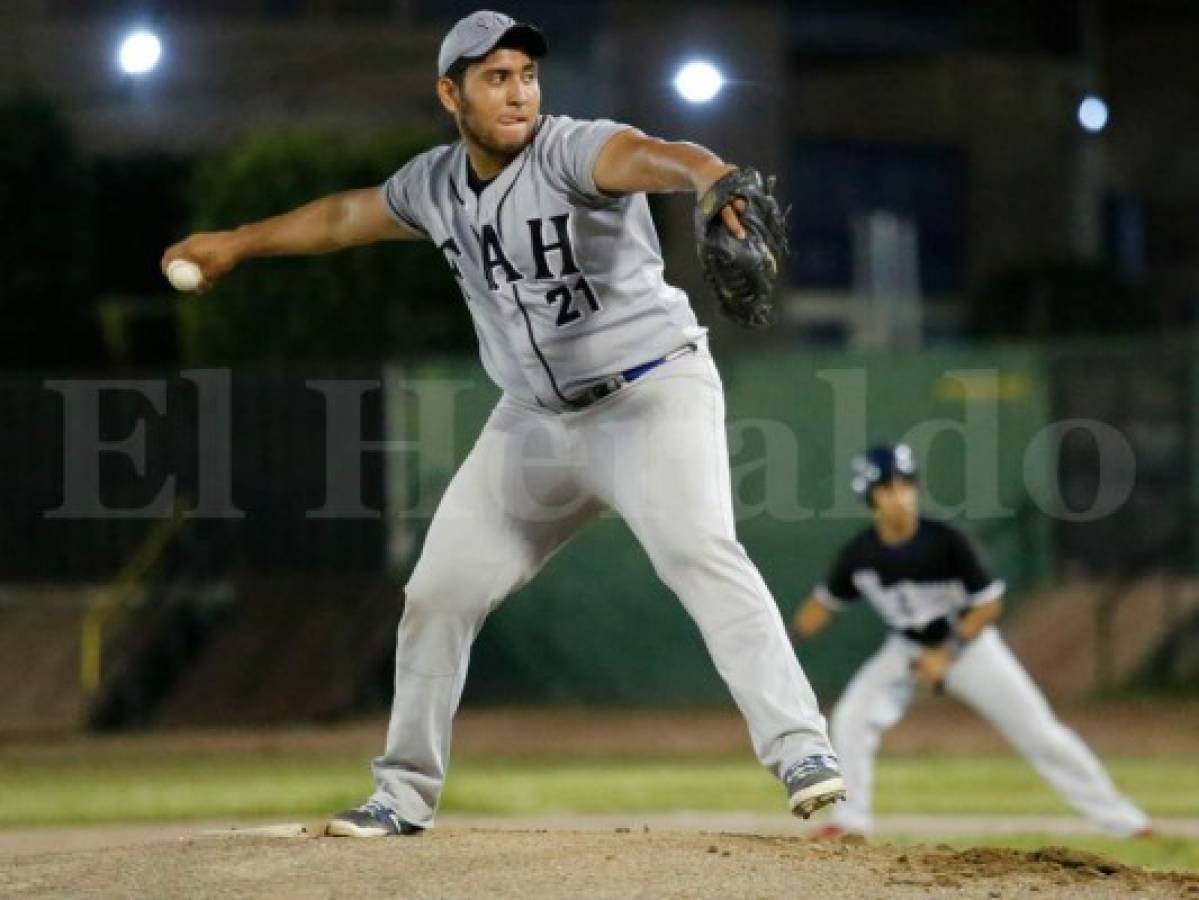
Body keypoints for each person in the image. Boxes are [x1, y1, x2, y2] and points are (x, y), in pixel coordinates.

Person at [163, 10, 844, 837]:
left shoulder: (572, 148)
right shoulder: (434, 184)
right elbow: (347, 218)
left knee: (700, 553)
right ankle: (401, 795)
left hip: (649, 397)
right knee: (437, 594)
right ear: (451, 94)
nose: (518, 92)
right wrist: (238, 242)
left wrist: (707, 174)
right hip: (532, 426)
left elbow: (650, 157)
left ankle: (802, 749)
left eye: (525, 74)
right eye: (495, 77)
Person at [791, 444, 1152, 840]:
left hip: (968, 647)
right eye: (888, 487)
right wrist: (780, 643)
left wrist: (946, 654)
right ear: (870, 497)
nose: (901, 495)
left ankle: (1126, 822)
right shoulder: (860, 555)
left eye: (907, 484)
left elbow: (987, 605)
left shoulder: (945, 540)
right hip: (906, 648)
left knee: (1040, 732)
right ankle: (850, 821)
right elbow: (821, 606)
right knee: (852, 717)